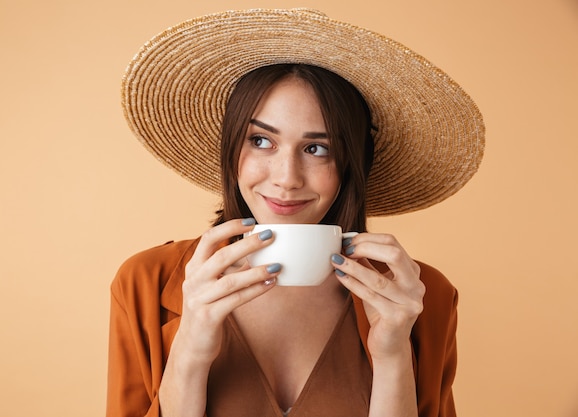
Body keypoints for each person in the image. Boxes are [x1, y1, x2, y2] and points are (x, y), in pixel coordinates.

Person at [107, 8, 485, 417]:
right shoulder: (146, 283)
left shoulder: (422, 295)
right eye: (261, 141)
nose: (287, 178)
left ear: (351, 165)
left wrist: (393, 356)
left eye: (316, 148)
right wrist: (190, 353)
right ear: (232, 148)